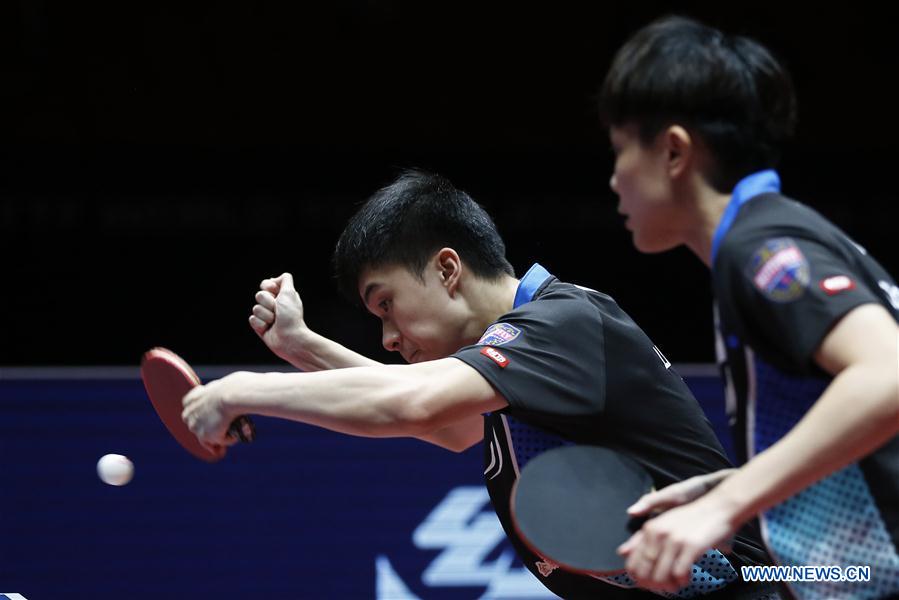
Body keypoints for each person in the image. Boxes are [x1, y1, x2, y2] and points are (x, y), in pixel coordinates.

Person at [182, 170, 777, 598]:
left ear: (447, 269)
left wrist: (238, 390)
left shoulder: (559, 324)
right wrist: (301, 347)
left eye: (387, 305)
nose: (387, 337)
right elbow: (450, 427)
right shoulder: (517, 366)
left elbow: (415, 404)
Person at [600, 16, 899, 599]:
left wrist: (725, 506)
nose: (613, 180)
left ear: (674, 151)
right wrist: (722, 488)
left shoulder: (760, 247)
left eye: (619, 151)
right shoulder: (784, 233)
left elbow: (889, 374)